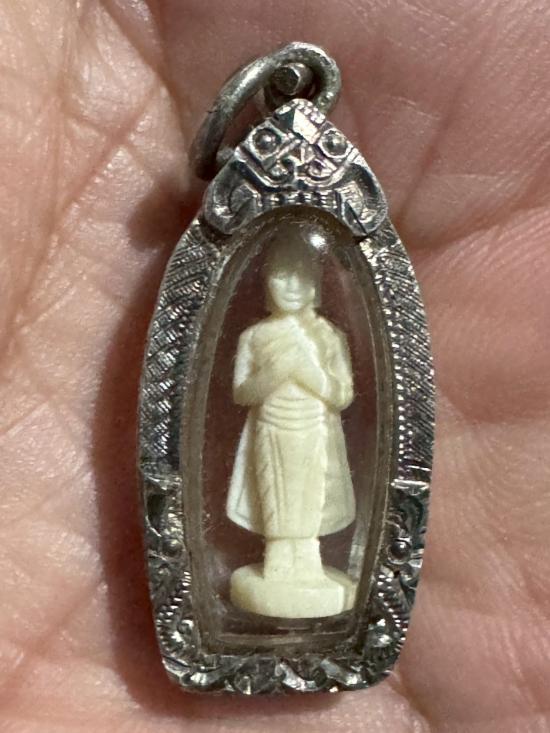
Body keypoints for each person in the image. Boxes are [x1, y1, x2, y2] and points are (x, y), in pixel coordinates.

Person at [226, 232, 356, 616]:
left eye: (302, 276)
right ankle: (279, 557)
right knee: (274, 489)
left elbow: (342, 394)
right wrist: (278, 371)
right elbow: (242, 392)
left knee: (312, 491)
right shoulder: (255, 336)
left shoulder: (328, 336)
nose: (292, 287)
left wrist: (308, 372)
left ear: (316, 283)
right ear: (267, 280)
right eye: (282, 276)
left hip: (315, 428)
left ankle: (308, 558)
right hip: (271, 427)